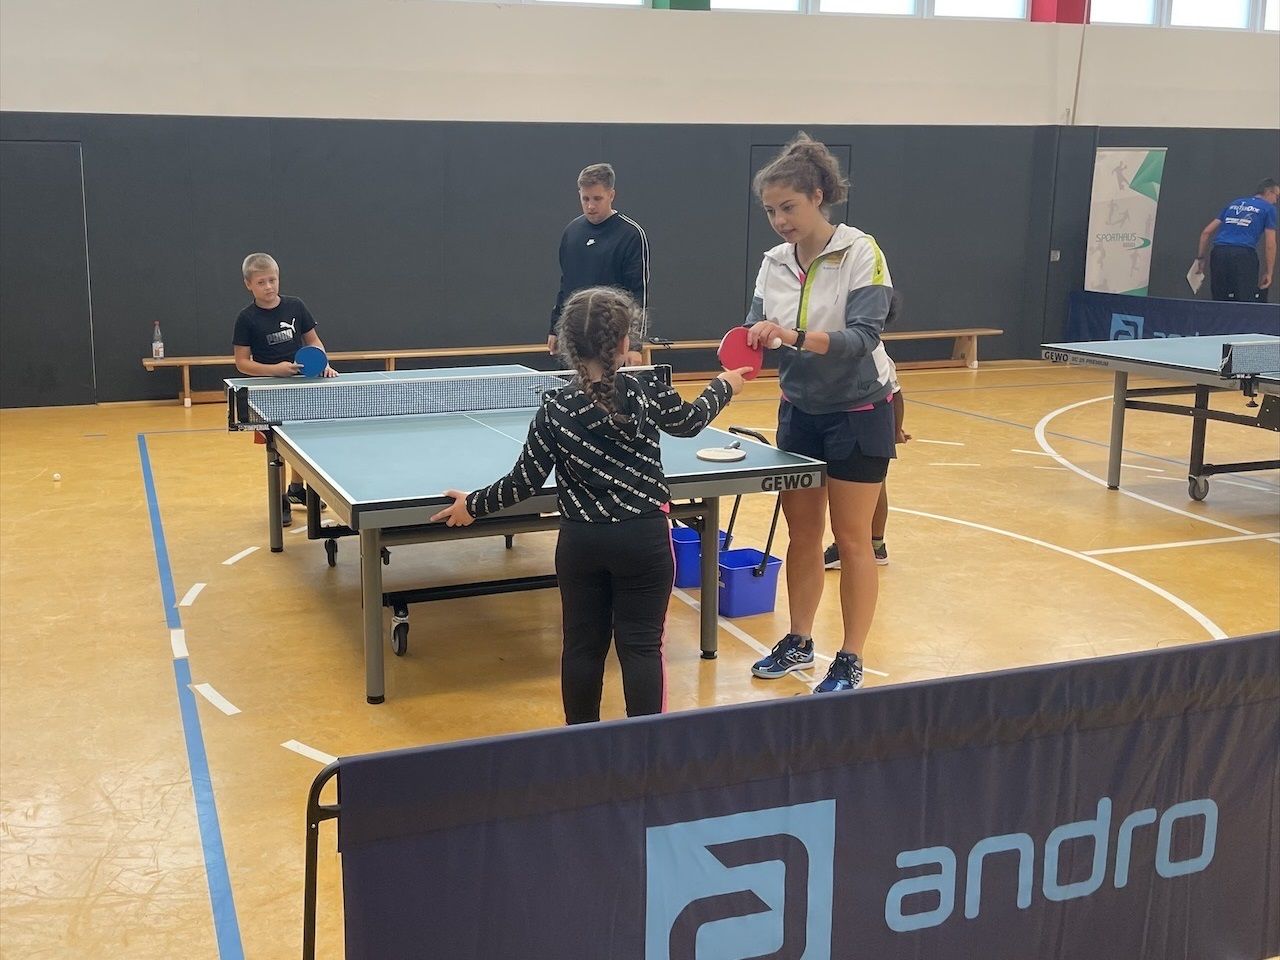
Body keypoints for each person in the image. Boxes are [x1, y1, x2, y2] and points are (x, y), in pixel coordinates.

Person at [433, 287, 749, 724]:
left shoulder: (555, 408)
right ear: (623, 343)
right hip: (643, 539)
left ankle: (580, 745)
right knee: (641, 647)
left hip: (582, 544)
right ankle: (646, 748)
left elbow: (523, 483)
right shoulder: (647, 392)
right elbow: (690, 422)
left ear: (566, 345)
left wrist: (473, 505)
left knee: (581, 648)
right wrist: (724, 385)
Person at [742, 133, 896, 694]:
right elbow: (756, 323)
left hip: (858, 410)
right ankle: (799, 639)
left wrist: (792, 336)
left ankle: (850, 656)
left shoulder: (861, 252)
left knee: (851, 540)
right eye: (770, 211)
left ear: (818, 196)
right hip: (799, 412)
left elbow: (863, 337)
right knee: (801, 534)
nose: (780, 221)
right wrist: (751, 340)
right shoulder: (773, 263)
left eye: (789, 207)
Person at [232, 253, 336, 526]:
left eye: (272, 280)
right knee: (276, 449)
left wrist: (323, 363)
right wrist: (275, 369)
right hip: (268, 392)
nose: (268, 286)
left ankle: (297, 489)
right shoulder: (246, 318)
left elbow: (314, 342)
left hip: (301, 388)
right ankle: (279, 500)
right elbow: (242, 362)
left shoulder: (296, 306)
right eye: (261, 282)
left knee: (300, 443)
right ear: (248, 284)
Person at [823, 294, 910, 570]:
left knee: (869, 486)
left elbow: (895, 394)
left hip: (867, 424)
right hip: (858, 423)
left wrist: (895, 431)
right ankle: (871, 544)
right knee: (872, 486)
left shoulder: (873, 353)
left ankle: (872, 544)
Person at [548, 163, 650, 363]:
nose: (590, 206)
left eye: (597, 198)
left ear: (611, 195)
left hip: (612, 338)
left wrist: (634, 345)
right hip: (576, 337)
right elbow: (566, 285)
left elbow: (638, 294)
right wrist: (555, 328)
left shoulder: (631, 234)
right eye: (585, 199)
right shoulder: (571, 232)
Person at [1195, 178, 1279, 303]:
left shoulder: (1234, 204)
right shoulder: (1268, 208)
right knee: (1245, 299)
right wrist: (1269, 272)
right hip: (1244, 255)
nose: (1276, 201)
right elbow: (1270, 244)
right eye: (1277, 197)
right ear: (1269, 192)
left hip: (1219, 253)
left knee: (1219, 299)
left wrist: (1201, 258)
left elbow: (1206, 232)